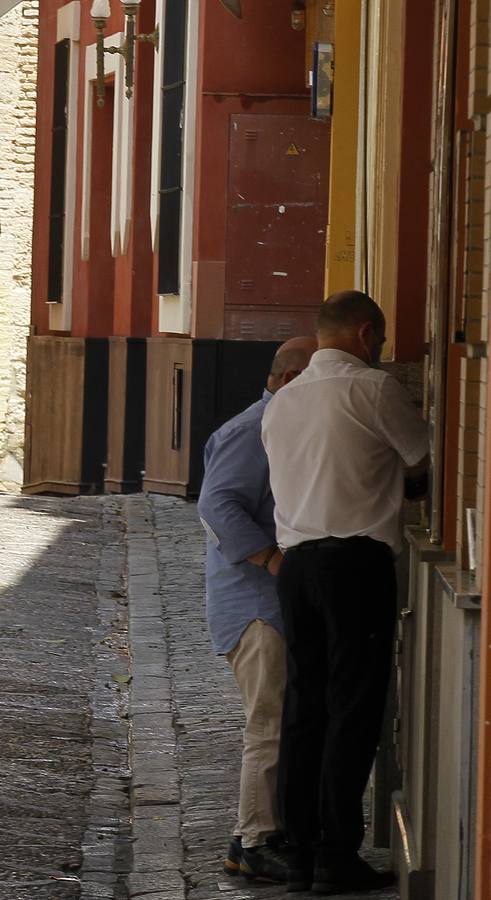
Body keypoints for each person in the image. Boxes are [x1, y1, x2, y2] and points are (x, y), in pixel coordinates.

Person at [259, 291, 428, 893]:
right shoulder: (373, 389)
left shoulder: (282, 403)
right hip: (356, 565)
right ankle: (337, 855)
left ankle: (298, 852)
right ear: (365, 333)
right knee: (353, 710)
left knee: (304, 710)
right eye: (379, 340)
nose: (380, 350)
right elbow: (421, 455)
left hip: (298, 566)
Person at [197, 336, 315, 883]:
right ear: (290, 381)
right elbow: (217, 503)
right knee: (266, 724)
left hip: (266, 602)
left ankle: (256, 831)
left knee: (278, 721)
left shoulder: (277, 426)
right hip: (254, 605)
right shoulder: (251, 430)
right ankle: (253, 841)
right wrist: (270, 559)